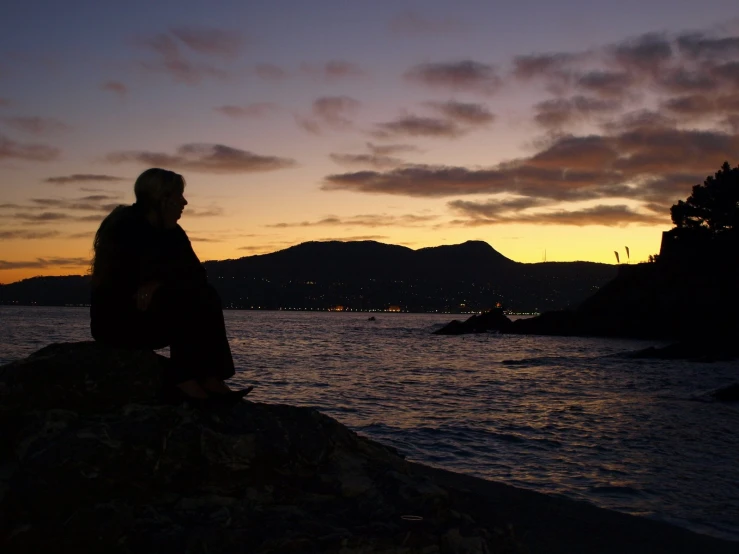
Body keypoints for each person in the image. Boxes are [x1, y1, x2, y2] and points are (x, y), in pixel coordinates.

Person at [90, 167, 251, 405]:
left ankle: (210, 377)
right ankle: (184, 381)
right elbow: (124, 282)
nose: (184, 202)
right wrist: (163, 283)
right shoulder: (124, 228)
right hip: (121, 322)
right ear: (162, 198)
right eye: (179, 195)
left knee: (206, 294)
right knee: (181, 296)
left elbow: (197, 274)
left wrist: (160, 281)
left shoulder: (174, 234)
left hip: (155, 315)